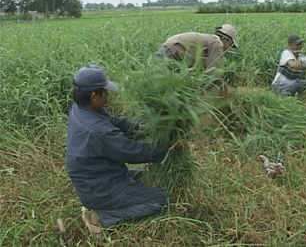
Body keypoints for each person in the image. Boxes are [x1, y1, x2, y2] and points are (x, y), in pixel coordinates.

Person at [66, 64, 177, 232]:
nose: (108, 96)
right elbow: (134, 152)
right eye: (105, 91)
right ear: (95, 96)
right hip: (100, 189)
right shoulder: (97, 131)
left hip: (100, 175)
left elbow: (115, 122)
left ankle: (113, 201)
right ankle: (102, 217)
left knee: (151, 176)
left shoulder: (82, 108)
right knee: (160, 200)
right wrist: (167, 147)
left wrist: (143, 127)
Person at [154, 24, 238, 95]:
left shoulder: (208, 41)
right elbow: (212, 72)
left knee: (162, 91)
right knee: (163, 92)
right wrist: (222, 87)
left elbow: (201, 68)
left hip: (163, 53)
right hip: (169, 55)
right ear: (224, 39)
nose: (229, 48)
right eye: (230, 44)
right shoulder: (217, 43)